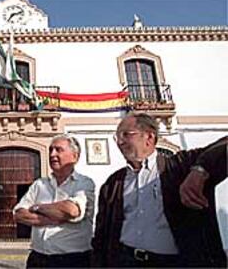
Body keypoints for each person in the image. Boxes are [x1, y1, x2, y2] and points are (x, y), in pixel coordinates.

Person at [92, 112, 227, 268]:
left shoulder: (181, 166)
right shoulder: (113, 183)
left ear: (149, 137)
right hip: (125, 261)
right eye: (117, 137)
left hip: (174, 263)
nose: (120, 142)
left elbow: (224, 146)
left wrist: (200, 170)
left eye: (126, 135)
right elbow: (101, 235)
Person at [13, 134, 95, 268]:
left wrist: (37, 207)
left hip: (72, 260)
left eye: (58, 150)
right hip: (37, 259)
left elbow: (72, 211)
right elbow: (18, 214)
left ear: (75, 156)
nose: (52, 154)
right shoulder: (39, 184)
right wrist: (52, 218)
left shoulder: (84, 183)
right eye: (51, 150)